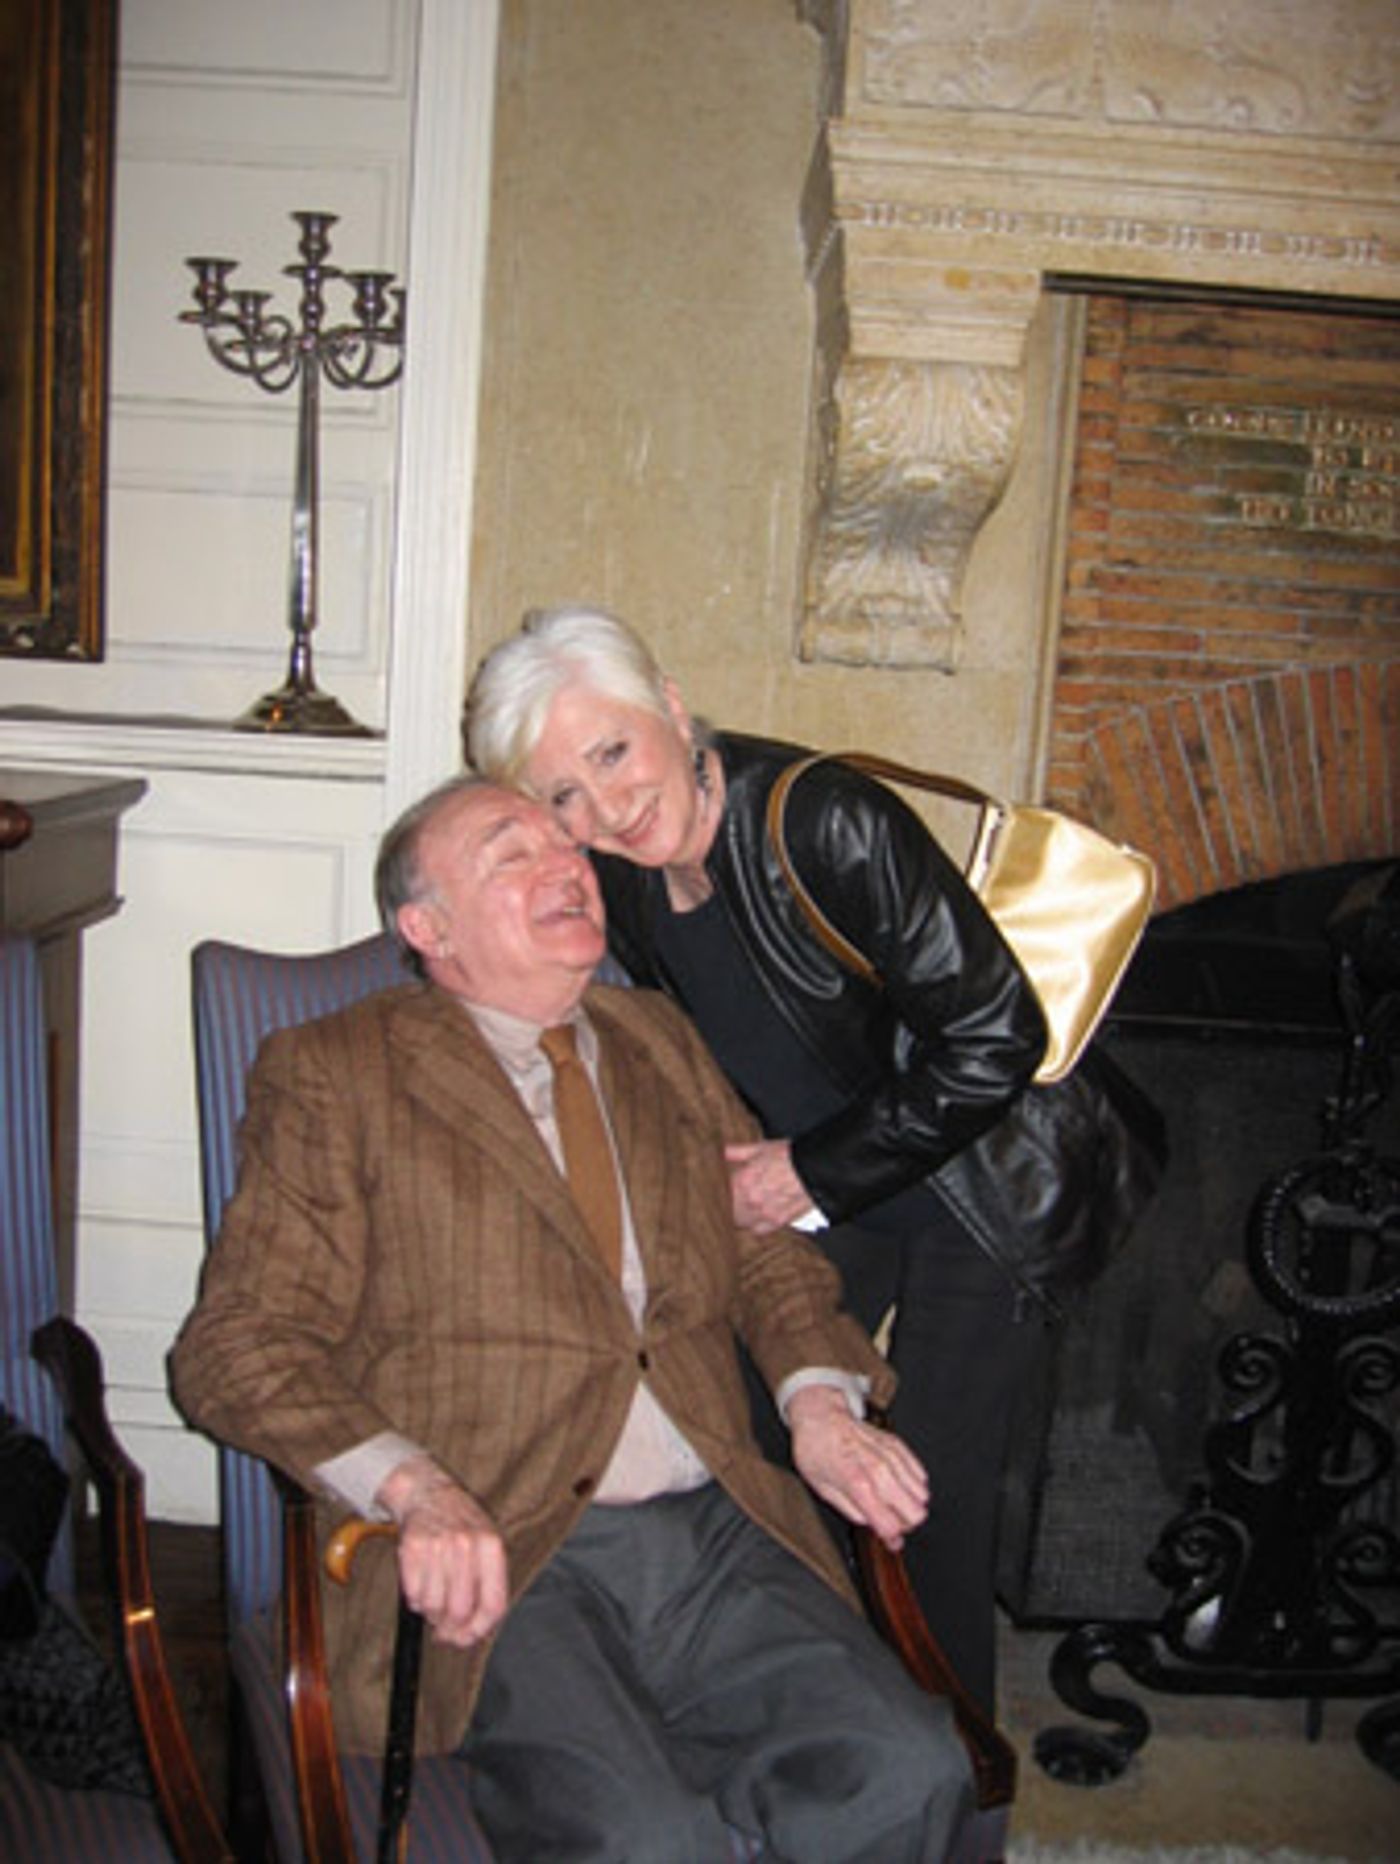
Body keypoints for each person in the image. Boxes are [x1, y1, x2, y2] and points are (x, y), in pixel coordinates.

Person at [170, 775, 972, 1863]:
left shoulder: (660, 1038)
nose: (567, 868)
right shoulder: (337, 1074)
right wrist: (417, 1489)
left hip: (711, 1528)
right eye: (513, 854)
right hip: (503, 1547)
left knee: (910, 1772)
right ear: (427, 929)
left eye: (568, 847)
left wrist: (818, 1401)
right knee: (644, 1840)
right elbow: (236, 1345)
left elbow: (763, 1250)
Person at [465, 606, 1054, 1718]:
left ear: (671, 707)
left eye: (613, 752)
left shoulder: (827, 821)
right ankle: (807, 1708)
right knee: (746, 1420)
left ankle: (959, 1774)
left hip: (979, 1187)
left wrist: (809, 1175)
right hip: (846, 1192)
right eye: (562, 796)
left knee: (925, 1493)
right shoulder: (627, 879)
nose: (606, 809)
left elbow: (999, 1035)